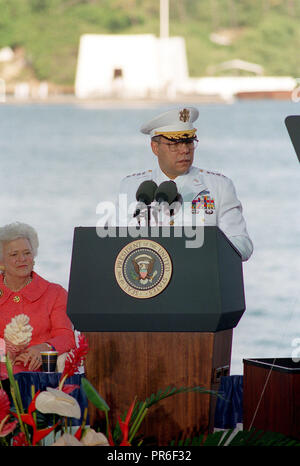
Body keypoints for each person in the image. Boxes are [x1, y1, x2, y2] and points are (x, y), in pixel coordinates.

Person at [116, 106, 253, 261]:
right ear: (155, 147)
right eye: (174, 144)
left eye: (189, 142)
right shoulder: (131, 187)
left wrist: (203, 249)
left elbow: (243, 245)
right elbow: (113, 243)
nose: (184, 150)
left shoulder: (219, 187)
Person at [0, 222, 75, 379]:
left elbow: (66, 336)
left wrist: (44, 347)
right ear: (2, 263)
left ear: (33, 257)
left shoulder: (55, 293)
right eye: (14, 255)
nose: (22, 259)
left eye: (27, 253)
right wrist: (6, 350)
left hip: (39, 378)